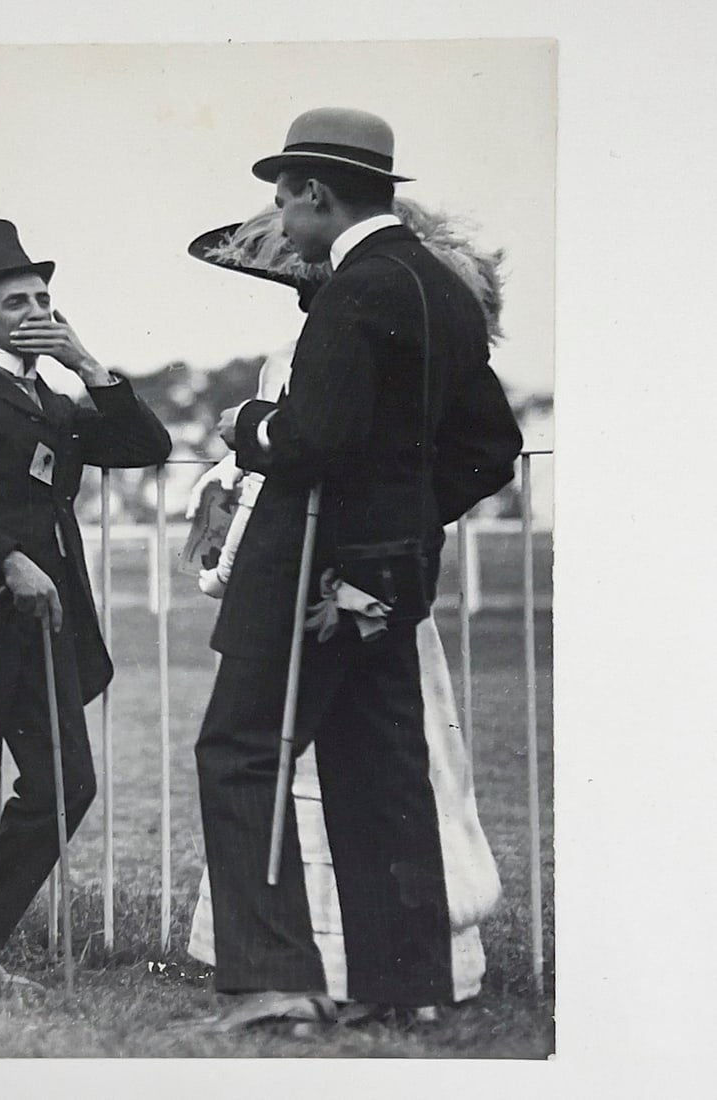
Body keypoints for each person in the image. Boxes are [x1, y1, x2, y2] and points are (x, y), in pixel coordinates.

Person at [194, 108, 523, 1028]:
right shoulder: (444, 291)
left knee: (241, 752)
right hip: (392, 578)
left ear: (315, 193)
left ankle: (274, 980)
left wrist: (246, 427)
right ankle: (407, 986)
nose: (279, 218)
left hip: (305, 567)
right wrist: (401, 532)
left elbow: (312, 441)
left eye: (282, 198)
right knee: (379, 767)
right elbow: (490, 449)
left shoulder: (354, 289)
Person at [0, 220, 172, 982]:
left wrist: (88, 362)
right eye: (18, 301)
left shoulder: (52, 398)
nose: (37, 311)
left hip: (48, 616)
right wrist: (5, 557)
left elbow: (145, 447)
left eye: (46, 299)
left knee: (68, 783)